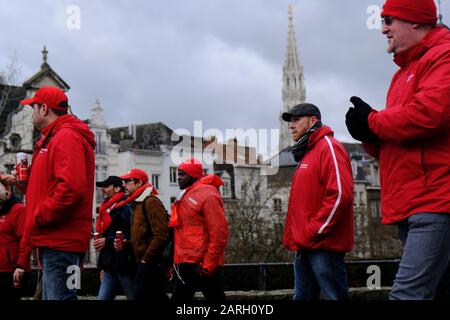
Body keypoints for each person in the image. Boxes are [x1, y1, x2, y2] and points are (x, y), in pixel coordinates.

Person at [345, 0, 450, 300]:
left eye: (389, 20)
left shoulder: (444, 57)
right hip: (412, 203)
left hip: (435, 202)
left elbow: (427, 115)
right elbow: (402, 139)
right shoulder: (401, 74)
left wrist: (373, 121)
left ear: (415, 21)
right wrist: (367, 135)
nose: (383, 29)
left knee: (406, 295)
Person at [4, 86, 96, 300]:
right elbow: (55, 186)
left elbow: (71, 189)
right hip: (55, 240)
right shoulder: (55, 137)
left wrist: (39, 215)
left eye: (33, 107)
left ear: (44, 109)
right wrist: (22, 182)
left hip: (59, 241)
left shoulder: (65, 137)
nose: (32, 112)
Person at [282, 103, 354, 300]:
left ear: (313, 120)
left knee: (334, 297)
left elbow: (341, 194)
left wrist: (315, 230)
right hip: (305, 246)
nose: (291, 125)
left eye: (296, 120)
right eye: (290, 121)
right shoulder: (308, 152)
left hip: (323, 245)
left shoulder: (329, 147)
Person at [169, 158, 229, 302]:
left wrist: (209, 263)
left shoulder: (207, 195)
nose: (178, 177)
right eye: (178, 173)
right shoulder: (187, 193)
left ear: (194, 175)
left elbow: (219, 232)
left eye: (183, 174)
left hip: (200, 263)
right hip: (186, 260)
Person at [119, 168, 169, 301]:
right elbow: (142, 235)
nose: (123, 184)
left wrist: (145, 259)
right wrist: (127, 243)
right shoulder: (137, 203)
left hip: (151, 263)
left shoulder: (150, 201)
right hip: (143, 262)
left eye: (127, 181)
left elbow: (161, 235)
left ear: (139, 182)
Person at [94, 176, 135, 300]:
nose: (102, 189)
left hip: (124, 265)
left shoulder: (126, 207)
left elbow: (130, 235)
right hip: (110, 266)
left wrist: (107, 241)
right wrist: (102, 267)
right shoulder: (107, 209)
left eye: (106, 186)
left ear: (117, 188)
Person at [0, 181, 29, 300]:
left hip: (11, 272)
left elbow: (25, 240)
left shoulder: (18, 210)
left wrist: (21, 266)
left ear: (7, 189)